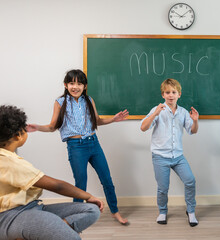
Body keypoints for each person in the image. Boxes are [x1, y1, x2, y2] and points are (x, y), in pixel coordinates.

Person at [26, 69, 129, 225]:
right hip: (76, 147)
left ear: (85, 86)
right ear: (66, 85)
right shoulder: (60, 102)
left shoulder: (89, 100)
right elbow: (53, 126)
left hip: (94, 144)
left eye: (79, 83)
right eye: (72, 83)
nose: (75, 87)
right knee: (80, 183)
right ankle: (77, 216)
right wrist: (38, 127)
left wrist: (113, 119)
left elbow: (97, 121)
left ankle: (115, 212)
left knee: (107, 180)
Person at [0, 105, 103, 240]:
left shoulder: (8, 157)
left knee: (91, 210)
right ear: (18, 135)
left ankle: (51, 232)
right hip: (11, 216)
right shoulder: (9, 162)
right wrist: (88, 196)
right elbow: (56, 185)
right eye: (24, 130)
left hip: (33, 208)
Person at [140, 78, 199, 227]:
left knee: (190, 180)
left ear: (179, 94)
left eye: (174, 92)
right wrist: (155, 114)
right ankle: (162, 211)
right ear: (163, 94)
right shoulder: (157, 110)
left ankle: (191, 211)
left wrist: (196, 121)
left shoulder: (183, 112)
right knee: (163, 188)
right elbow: (143, 127)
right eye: (167, 92)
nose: (171, 95)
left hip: (178, 156)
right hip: (160, 157)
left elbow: (192, 131)